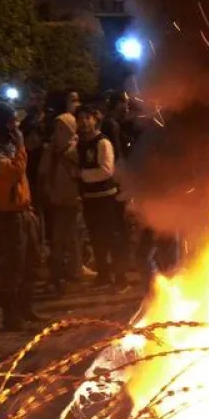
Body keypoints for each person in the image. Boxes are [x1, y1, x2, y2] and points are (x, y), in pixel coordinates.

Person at [0, 103, 44, 331]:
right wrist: (21, 148)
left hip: (23, 211)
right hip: (8, 215)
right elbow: (15, 171)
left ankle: (26, 307)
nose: (15, 125)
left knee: (32, 261)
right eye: (11, 121)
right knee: (13, 265)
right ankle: (11, 314)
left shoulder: (8, 145)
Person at [77, 106, 132, 291]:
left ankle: (121, 279)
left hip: (106, 199)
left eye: (87, 118)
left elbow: (107, 170)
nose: (84, 122)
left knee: (113, 239)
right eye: (80, 119)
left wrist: (82, 174)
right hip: (89, 198)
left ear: (95, 119)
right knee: (96, 239)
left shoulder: (102, 142)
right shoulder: (81, 143)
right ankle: (103, 275)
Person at [38, 98, 84, 293]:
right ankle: (56, 274)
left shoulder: (77, 149)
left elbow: (83, 173)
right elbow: (43, 172)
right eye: (56, 128)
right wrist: (48, 191)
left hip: (74, 200)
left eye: (62, 128)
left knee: (74, 238)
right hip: (57, 200)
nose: (58, 132)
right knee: (57, 239)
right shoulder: (51, 150)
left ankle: (74, 272)